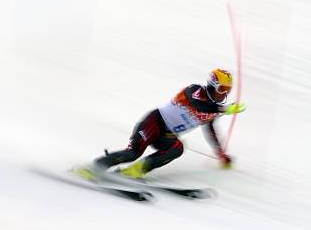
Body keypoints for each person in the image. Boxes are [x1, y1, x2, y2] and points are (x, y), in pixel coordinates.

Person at [76, 68, 245, 180]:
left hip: (166, 135)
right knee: (133, 152)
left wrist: (220, 153)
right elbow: (197, 104)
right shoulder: (195, 91)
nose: (224, 94)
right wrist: (224, 109)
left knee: (177, 148)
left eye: (228, 91)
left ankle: (135, 171)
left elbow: (211, 130)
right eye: (222, 89)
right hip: (154, 122)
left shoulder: (214, 109)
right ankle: (92, 168)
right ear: (212, 86)